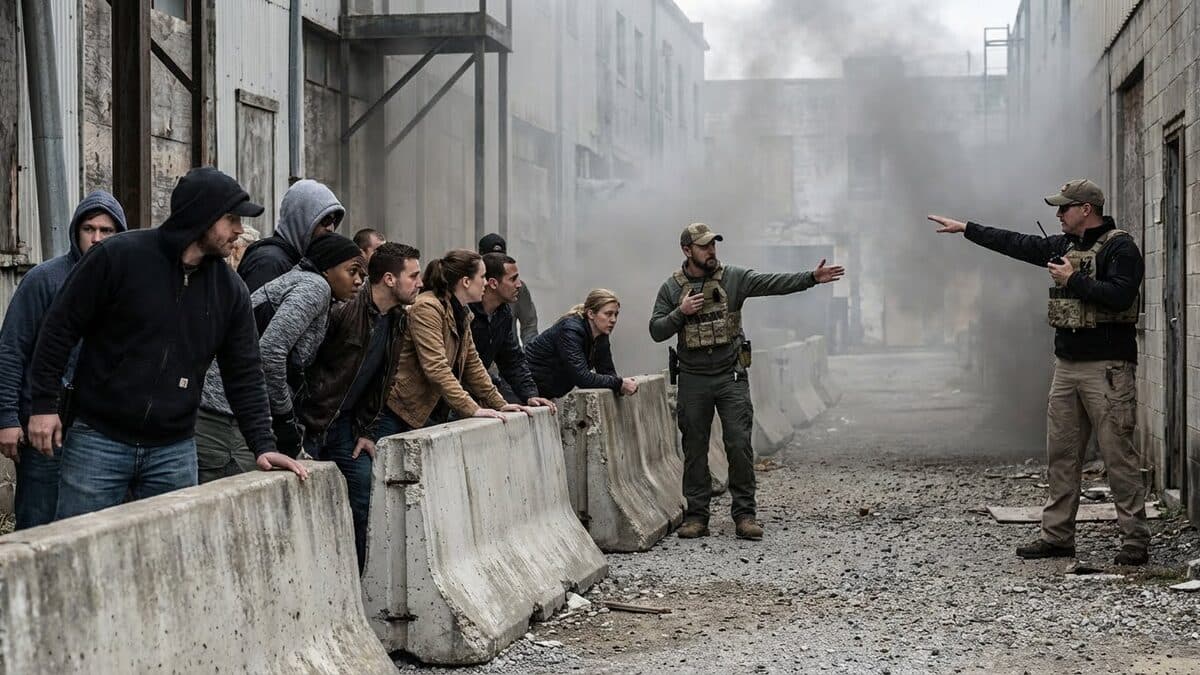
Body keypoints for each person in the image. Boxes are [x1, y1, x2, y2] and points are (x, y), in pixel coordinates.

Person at [27, 167, 307, 521]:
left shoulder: (229, 291)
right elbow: (59, 329)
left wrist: (263, 445)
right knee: (77, 552)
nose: (239, 230)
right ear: (202, 216)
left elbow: (245, 374)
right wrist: (43, 405)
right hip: (99, 439)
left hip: (173, 449)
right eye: (232, 218)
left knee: (172, 559)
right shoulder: (118, 257)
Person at [929, 178, 1150, 566]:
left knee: (1118, 455)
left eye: (1064, 208)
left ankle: (1134, 541)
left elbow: (1121, 296)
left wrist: (1074, 280)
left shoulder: (1121, 247)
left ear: (1086, 209)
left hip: (1108, 368)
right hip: (1067, 367)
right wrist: (967, 229)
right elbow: (1017, 243)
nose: (1058, 214)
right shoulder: (1064, 245)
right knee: (1061, 455)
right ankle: (1057, 536)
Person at [650, 222, 845, 541]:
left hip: (730, 375)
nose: (711, 251)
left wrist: (811, 278)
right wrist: (680, 313)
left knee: (739, 443)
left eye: (713, 245)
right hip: (694, 378)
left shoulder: (733, 278)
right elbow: (656, 330)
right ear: (687, 251)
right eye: (703, 246)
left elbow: (772, 283)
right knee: (694, 448)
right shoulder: (672, 289)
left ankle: (744, 514)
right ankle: (697, 516)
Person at [0, 191, 127, 529]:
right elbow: (12, 350)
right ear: (76, 232)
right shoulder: (44, 279)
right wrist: (8, 419)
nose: (97, 238)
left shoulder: (126, 284)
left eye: (106, 230)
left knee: (91, 528)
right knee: (39, 525)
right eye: (89, 229)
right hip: (45, 431)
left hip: (104, 432)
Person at [196, 233, 364, 483]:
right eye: (352, 271)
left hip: (227, 411)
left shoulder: (303, 282)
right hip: (226, 417)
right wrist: (284, 417)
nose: (359, 281)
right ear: (327, 270)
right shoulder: (314, 287)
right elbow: (270, 353)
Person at [299, 242, 423, 570]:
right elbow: (305, 366)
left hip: (346, 428)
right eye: (413, 276)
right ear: (389, 279)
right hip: (310, 425)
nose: (420, 284)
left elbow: (383, 378)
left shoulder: (398, 320)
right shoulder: (343, 309)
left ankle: (352, 582)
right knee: (308, 506)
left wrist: (367, 430)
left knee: (362, 498)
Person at [378, 249, 529, 436]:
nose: (485, 283)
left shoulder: (462, 313)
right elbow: (436, 367)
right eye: (482, 277)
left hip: (427, 412)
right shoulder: (428, 307)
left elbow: (473, 366)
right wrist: (473, 409)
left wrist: (500, 404)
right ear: (466, 282)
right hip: (399, 412)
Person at [470, 252, 557, 411]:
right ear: (493, 283)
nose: (519, 284)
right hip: (448, 398)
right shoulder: (466, 312)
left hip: (476, 393)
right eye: (513, 279)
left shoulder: (503, 315)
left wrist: (530, 395)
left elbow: (512, 360)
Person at [525, 288, 638, 400]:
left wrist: (619, 385)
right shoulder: (571, 330)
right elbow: (582, 378)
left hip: (545, 393)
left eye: (615, 314)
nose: (613, 320)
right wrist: (619, 383)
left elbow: (606, 371)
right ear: (591, 314)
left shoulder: (601, 334)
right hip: (523, 389)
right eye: (608, 314)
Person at [238, 178, 344, 292]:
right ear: (301, 219)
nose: (331, 228)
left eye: (334, 221)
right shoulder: (270, 262)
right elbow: (258, 309)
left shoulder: (295, 261)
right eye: (325, 220)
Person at [478, 233, 538, 344]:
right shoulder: (473, 291)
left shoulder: (516, 289)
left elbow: (529, 324)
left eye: (501, 257)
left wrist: (530, 354)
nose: (496, 262)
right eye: (491, 258)